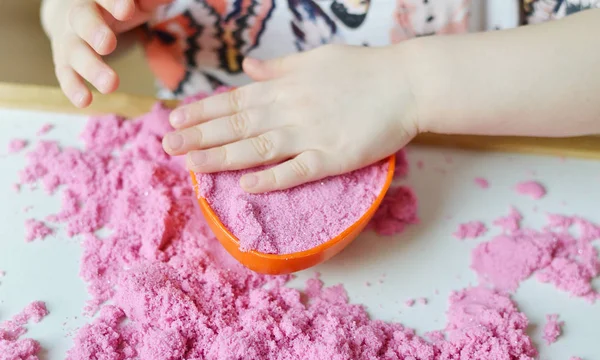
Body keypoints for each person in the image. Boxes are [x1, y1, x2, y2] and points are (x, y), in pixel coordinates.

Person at [41, 0, 600, 194]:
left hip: (485, 167)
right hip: (223, 165)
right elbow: (82, 15)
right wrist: (82, 22)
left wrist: (412, 84)